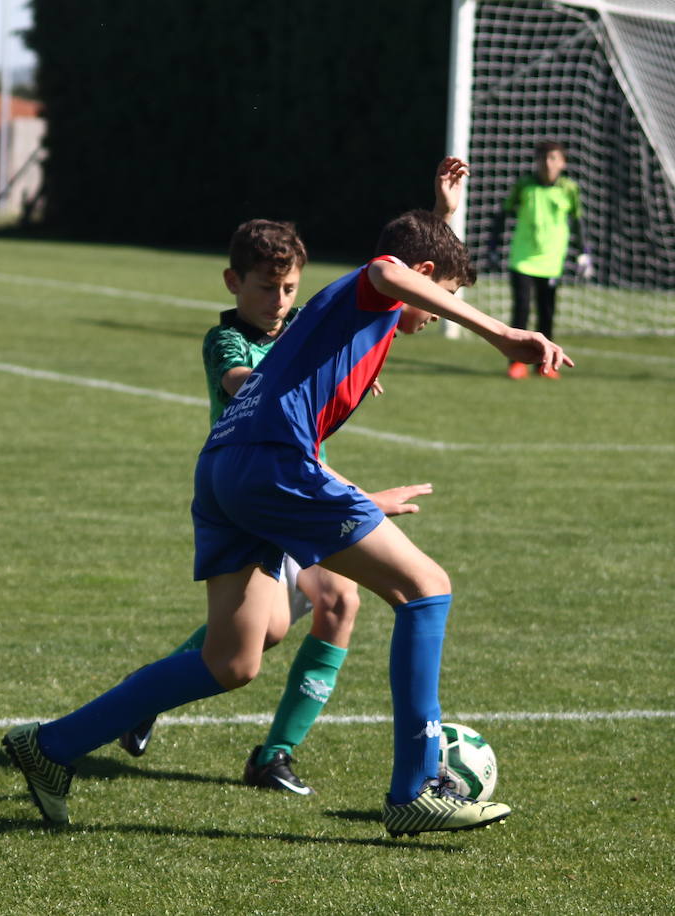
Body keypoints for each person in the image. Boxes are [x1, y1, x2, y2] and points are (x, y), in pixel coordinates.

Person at [2, 208, 571, 838]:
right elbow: (391, 267)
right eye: (446, 297)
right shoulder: (374, 290)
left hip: (225, 470)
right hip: (272, 466)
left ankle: (51, 746)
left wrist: (442, 212)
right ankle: (414, 791)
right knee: (425, 588)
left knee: (232, 659)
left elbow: (408, 261)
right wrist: (500, 333)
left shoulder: (361, 320)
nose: (439, 313)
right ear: (428, 277)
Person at [116, 158, 471, 798]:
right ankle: (149, 692)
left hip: (302, 476)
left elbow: (398, 279)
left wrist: (442, 216)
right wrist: (307, 371)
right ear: (234, 284)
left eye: (288, 290)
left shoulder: (306, 326)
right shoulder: (227, 342)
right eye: (264, 289)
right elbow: (247, 384)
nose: (279, 302)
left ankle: (275, 752)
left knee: (338, 603)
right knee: (261, 633)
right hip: (259, 487)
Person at [490, 140, 592, 380]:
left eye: (554, 158)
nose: (548, 163)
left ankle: (544, 364)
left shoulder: (569, 189)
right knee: (521, 311)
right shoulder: (524, 186)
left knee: (547, 313)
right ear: (536, 162)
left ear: (563, 163)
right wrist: (493, 247)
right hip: (522, 259)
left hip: (552, 262)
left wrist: (583, 252)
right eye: (543, 158)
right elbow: (503, 215)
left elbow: (578, 222)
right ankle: (516, 362)